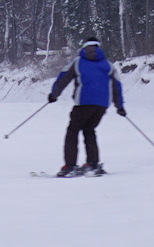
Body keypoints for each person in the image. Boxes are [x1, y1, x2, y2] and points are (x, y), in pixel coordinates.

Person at [46, 36, 125, 177]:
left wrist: (54, 95)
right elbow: (116, 86)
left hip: (83, 103)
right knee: (89, 130)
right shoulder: (108, 65)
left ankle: (70, 166)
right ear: (99, 47)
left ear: (84, 47)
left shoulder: (77, 62)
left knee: (73, 131)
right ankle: (93, 164)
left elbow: (63, 77)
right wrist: (119, 106)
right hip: (101, 105)